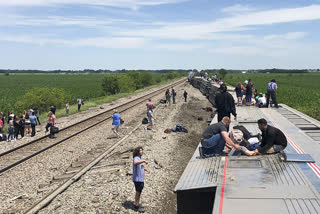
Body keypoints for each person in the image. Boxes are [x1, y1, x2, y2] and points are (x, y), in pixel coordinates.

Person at [132, 146, 150, 213]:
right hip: (137, 179)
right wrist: (144, 160)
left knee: (139, 191)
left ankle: (137, 203)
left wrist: (146, 169)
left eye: (142, 150)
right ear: (138, 152)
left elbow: (141, 166)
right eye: (140, 150)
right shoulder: (136, 158)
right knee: (138, 192)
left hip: (140, 179)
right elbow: (135, 163)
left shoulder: (140, 158)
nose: (142, 151)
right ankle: (136, 206)